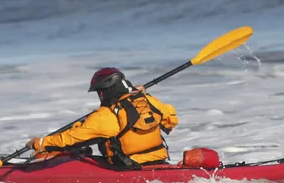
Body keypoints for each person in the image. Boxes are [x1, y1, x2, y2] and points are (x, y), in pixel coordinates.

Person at [26, 67, 178, 169]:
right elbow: (171, 121)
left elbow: (71, 138)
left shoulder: (106, 115)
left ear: (104, 92)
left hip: (127, 167)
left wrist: (40, 143)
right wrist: (144, 95)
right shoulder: (149, 101)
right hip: (159, 161)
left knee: (76, 156)